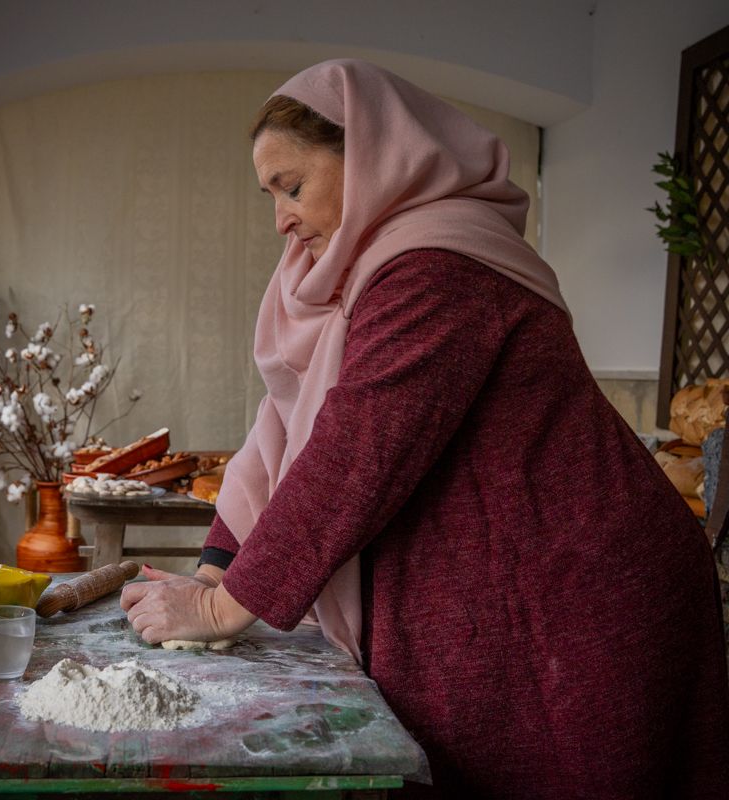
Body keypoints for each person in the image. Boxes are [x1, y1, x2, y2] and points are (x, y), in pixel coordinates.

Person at [120, 60, 729, 798]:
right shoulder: (357, 281)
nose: (279, 217)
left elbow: (355, 452)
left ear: (373, 158)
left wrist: (221, 607)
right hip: (507, 580)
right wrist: (218, 563)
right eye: (270, 194)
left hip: (574, 595)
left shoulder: (439, 265)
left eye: (293, 185)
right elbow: (277, 430)